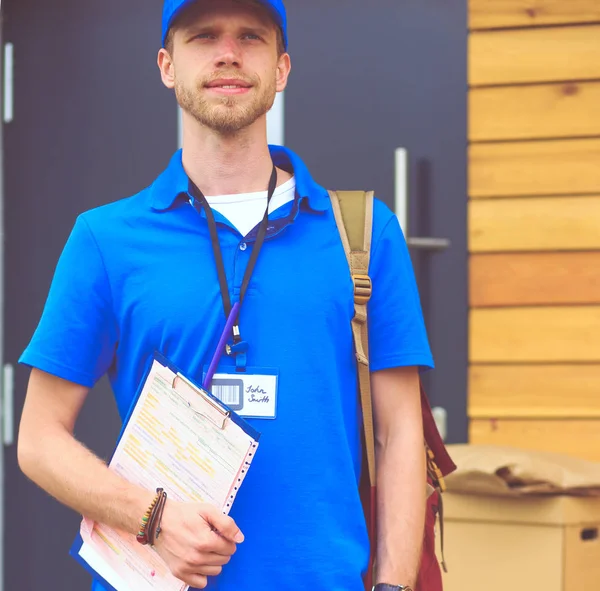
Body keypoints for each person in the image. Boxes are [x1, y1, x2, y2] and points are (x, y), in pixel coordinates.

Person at [17, 1, 434, 590]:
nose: (228, 53)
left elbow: (398, 433)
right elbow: (38, 439)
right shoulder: (105, 240)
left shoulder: (364, 236)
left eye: (251, 37)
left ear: (283, 68)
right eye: (203, 36)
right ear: (166, 65)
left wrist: (392, 585)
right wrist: (152, 517)